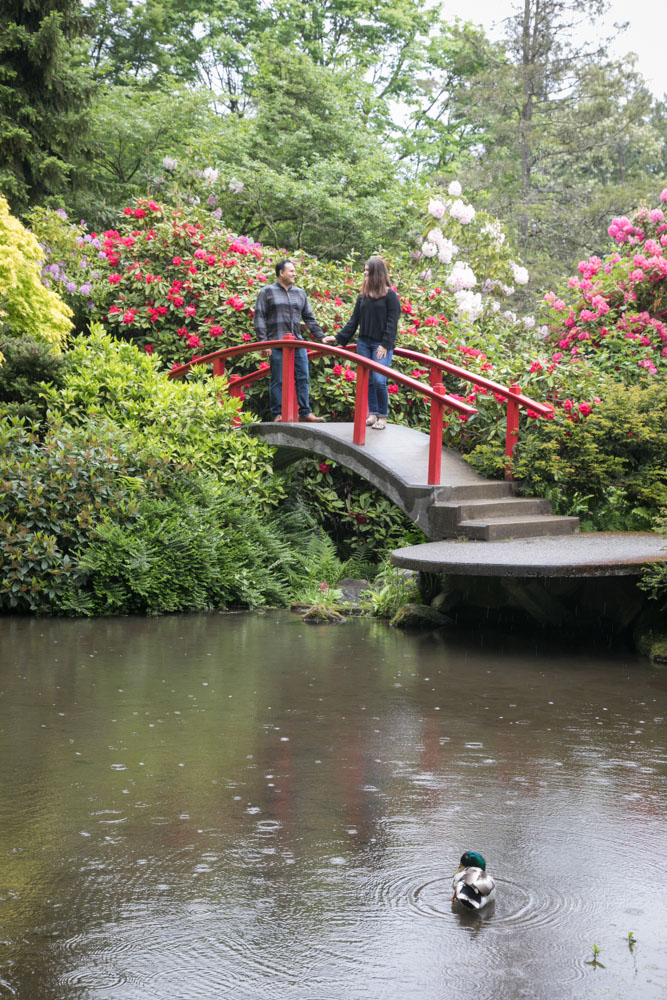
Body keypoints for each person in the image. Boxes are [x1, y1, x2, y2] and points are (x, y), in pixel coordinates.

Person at [322, 257, 399, 429]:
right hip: (364, 343)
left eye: (367, 270)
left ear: (376, 272)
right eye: (364, 269)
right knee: (369, 380)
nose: (364, 272)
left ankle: (382, 417)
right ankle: (372, 414)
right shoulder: (363, 295)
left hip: (381, 345)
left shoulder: (390, 295)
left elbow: (392, 323)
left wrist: (385, 345)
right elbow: (354, 321)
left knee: (379, 380)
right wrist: (337, 337)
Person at [253, 259, 326, 422]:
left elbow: (309, 318)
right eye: (291, 271)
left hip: (297, 343)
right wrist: (264, 343)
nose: (294, 274)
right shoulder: (267, 292)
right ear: (281, 273)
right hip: (276, 343)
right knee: (277, 379)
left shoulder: (300, 293)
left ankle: (305, 413)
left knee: (303, 377)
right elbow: (259, 318)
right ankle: (278, 414)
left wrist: (321, 337)